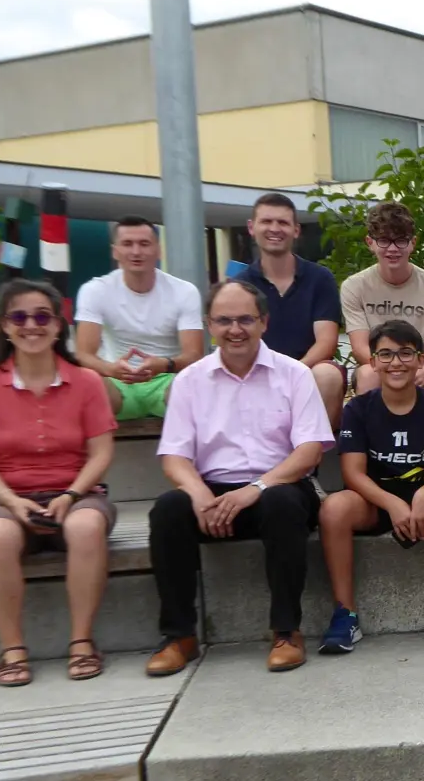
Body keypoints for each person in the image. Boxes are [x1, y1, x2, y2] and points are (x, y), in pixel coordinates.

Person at [144, 280, 336, 676]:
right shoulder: (189, 381)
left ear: (264, 322)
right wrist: (198, 493)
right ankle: (179, 636)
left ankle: (286, 631)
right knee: (168, 510)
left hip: (279, 483)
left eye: (246, 319)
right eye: (224, 320)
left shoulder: (294, 374)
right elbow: (174, 456)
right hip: (213, 491)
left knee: (282, 504)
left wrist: (256, 488)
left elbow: (309, 451)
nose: (235, 329)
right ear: (209, 325)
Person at [0, 280, 117, 686]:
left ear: (58, 325)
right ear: (5, 326)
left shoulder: (86, 381)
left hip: (78, 494)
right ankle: (13, 648)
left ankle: (82, 641)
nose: (32, 325)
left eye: (43, 317)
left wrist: (72, 494)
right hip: (7, 498)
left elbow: (101, 453)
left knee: (86, 526)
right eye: (19, 317)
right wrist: (11, 501)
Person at [316, 320, 424, 655]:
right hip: (375, 501)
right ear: (372, 362)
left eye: (405, 353)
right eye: (385, 355)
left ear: (420, 360)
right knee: (333, 508)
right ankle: (345, 614)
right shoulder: (358, 408)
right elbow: (353, 473)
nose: (396, 362)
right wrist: (392, 503)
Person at [75, 215, 204, 420]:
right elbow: (83, 355)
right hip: (116, 379)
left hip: (167, 379)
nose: (136, 252)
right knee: (86, 385)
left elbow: (194, 355)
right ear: (115, 251)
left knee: (194, 389)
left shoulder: (184, 291)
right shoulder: (94, 290)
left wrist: (163, 365)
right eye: (127, 244)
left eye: (144, 244)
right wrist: (110, 369)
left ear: (158, 250)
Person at [234, 193, 346, 427]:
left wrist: (292, 373)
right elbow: (238, 343)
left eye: (283, 222)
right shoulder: (239, 286)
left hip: (308, 370)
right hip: (257, 372)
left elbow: (326, 342)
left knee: (328, 375)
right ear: (251, 228)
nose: (275, 229)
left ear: (296, 230)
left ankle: (313, 449)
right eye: (267, 221)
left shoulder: (320, 278)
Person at [339, 201, 424, 398]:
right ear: (370, 243)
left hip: (418, 367)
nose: (392, 249)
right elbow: (360, 348)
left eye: (400, 241)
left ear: (413, 243)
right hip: (376, 366)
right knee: (368, 374)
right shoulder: (354, 286)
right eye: (383, 240)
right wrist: (393, 367)